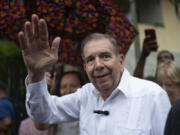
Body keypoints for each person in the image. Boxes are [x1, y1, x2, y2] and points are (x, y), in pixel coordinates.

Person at [18, 14, 171, 135]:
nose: (98, 65)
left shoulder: (152, 95)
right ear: (85, 67)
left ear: (121, 61)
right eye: (91, 59)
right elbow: (42, 114)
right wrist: (36, 73)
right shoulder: (85, 95)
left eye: (105, 56)